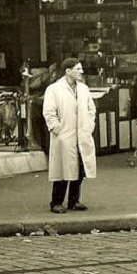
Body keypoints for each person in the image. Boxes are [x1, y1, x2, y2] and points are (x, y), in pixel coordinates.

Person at [42, 58, 97, 214]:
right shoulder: (54, 89)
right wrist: (57, 129)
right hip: (64, 135)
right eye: (78, 69)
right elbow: (49, 112)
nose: (81, 72)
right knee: (62, 170)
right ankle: (56, 202)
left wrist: (89, 125)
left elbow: (91, 109)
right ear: (68, 71)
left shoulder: (84, 89)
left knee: (79, 169)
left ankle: (74, 200)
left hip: (81, 134)